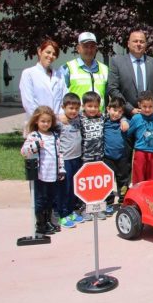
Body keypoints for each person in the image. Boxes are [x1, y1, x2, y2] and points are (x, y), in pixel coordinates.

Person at [21, 106, 65, 235]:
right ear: (36, 121)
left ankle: (48, 221)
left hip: (53, 174)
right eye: (43, 121)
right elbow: (24, 151)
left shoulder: (54, 136)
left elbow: (59, 154)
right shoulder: (34, 136)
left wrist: (61, 169)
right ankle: (40, 224)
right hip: (40, 174)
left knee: (50, 199)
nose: (46, 124)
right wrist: (34, 146)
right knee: (40, 200)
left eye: (48, 121)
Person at [107, 30, 153, 118]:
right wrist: (129, 108)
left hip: (150, 115)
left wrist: (150, 107)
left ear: (145, 45)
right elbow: (113, 88)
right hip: (126, 116)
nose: (138, 44)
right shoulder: (117, 62)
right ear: (128, 44)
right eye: (135, 41)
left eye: (142, 42)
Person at [19, 39, 67, 123]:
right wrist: (43, 120)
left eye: (54, 54)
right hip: (37, 124)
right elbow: (28, 103)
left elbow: (64, 98)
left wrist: (60, 115)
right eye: (48, 52)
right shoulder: (28, 74)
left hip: (57, 123)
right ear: (40, 51)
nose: (51, 56)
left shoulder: (59, 75)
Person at [63, 32, 109, 112]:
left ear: (96, 49)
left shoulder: (105, 69)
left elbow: (110, 96)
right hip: (76, 119)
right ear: (78, 48)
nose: (89, 50)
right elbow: (60, 95)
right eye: (85, 46)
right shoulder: (68, 68)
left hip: (98, 119)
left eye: (92, 46)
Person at [57, 93, 85, 228]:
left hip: (77, 159)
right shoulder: (60, 122)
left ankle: (71, 211)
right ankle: (62, 214)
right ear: (63, 107)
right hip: (65, 160)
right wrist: (57, 116)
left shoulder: (79, 119)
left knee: (74, 187)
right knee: (65, 188)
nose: (73, 111)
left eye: (76, 108)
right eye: (70, 108)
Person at [79, 91, 107, 220]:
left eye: (96, 106)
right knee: (86, 185)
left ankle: (98, 207)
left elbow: (114, 115)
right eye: (89, 106)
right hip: (86, 157)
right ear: (83, 106)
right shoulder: (80, 118)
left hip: (99, 156)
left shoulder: (101, 117)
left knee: (98, 184)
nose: (93, 109)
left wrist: (123, 119)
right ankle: (85, 208)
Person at [127, 91, 153, 184]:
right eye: (144, 106)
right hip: (140, 151)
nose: (147, 109)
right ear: (139, 105)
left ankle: (150, 196)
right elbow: (128, 133)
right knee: (139, 177)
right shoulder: (136, 118)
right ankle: (137, 196)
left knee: (152, 178)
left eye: (150, 107)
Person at [103, 96, 131, 208]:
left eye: (120, 112)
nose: (116, 114)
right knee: (107, 179)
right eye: (114, 110)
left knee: (123, 179)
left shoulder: (124, 122)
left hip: (122, 157)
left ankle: (123, 198)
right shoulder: (103, 121)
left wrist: (124, 120)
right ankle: (108, 201)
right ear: (108, 109)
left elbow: (127, 124)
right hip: (107, 157)